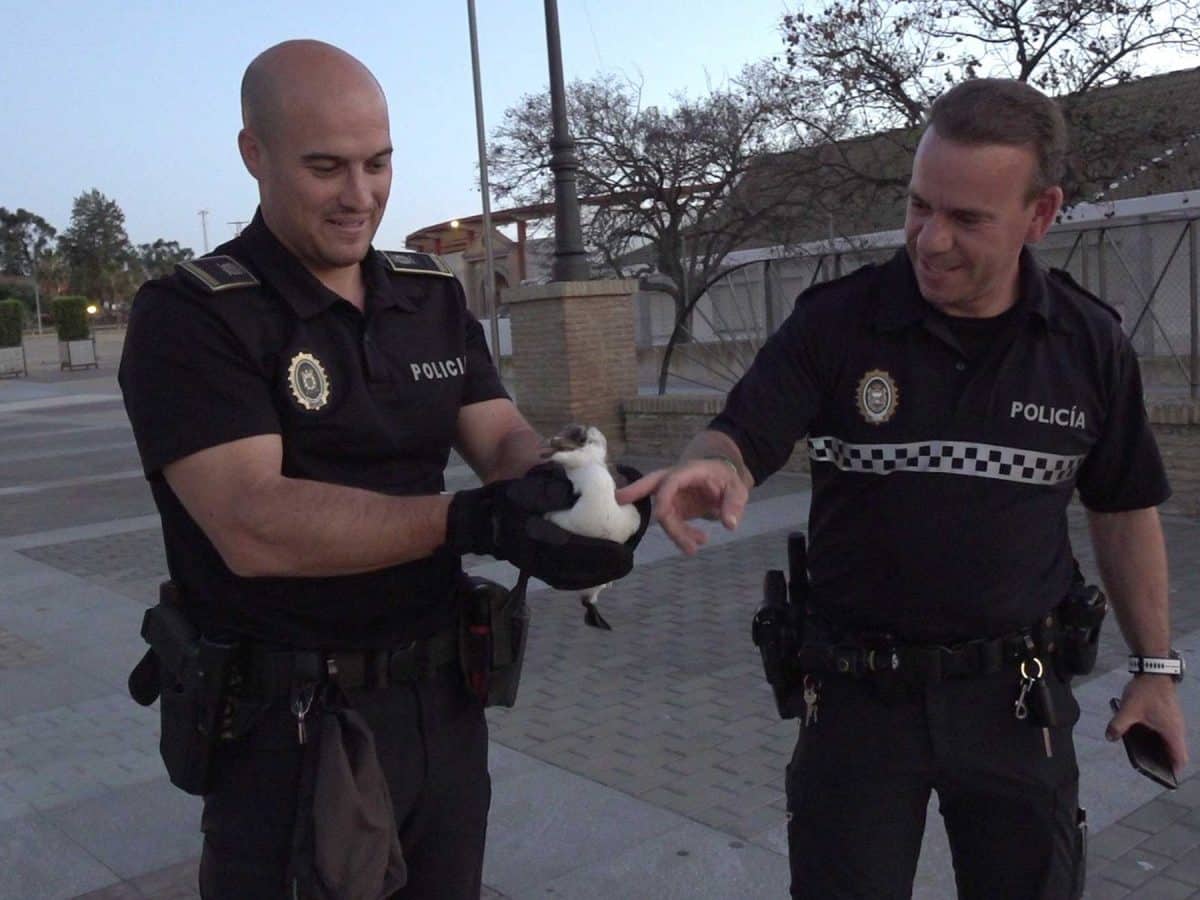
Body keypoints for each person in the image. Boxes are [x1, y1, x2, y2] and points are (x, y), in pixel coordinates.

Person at [619, 78, 1187, 899]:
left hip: (1015, 703)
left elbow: (1124, 508)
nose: (930, 239)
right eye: (921, 206)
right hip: (856, 705)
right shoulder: (838, 321)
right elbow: (744, 430)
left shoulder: (1086, 344)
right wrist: (718, 460)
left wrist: (1157, 673)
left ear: (1041, 213)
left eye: (966, 219)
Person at [119, 40, 640, 900]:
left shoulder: (426, 294)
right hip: (288, 727)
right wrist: (472, 521)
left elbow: (501, 434)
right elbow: (251, 520)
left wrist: (578, 492)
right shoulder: (194, 315)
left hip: (443, 706)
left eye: (378, 162)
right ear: (255, 153)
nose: (359, 196)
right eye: (325, 167)